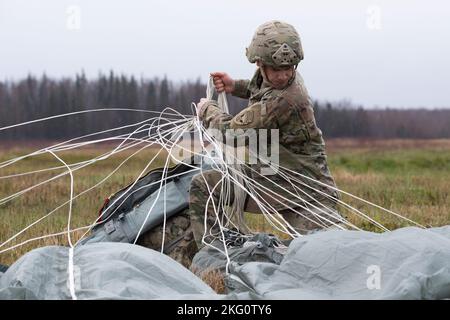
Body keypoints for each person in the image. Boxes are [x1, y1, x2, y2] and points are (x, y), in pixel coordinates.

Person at [189, 20, 342, 250]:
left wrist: (207, 110)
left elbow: (232, 133)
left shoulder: (286, 98)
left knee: (328, 252)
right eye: (276, 69)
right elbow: (261, 88)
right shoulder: (279, 82)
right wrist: (234, 86)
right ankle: (215, 256)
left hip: (305, 191)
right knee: (205, 185)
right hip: (274, 175)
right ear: (260, 64)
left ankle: (214, 256)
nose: (283, 76)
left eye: (288, 69)